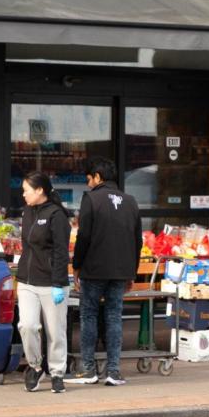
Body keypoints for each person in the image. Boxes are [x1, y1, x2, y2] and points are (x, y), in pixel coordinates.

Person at [69, 156, 141, 386]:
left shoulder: (91, 199)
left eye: (89, 179)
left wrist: (77, 265)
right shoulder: (130, 201)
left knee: (89, 315)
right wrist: (132, 271)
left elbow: (84, 236)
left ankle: (89, 370)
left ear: (97, 177)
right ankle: (114, 371)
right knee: (114, 316)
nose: (88, 183)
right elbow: (137, 240)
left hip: (94, 269)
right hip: (121, 270)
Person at [16, 171, 70, 394]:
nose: (23, 195)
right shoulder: (27, 211)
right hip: (27, 282)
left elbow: (61, 252)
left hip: (51, 283)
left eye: (26, 190)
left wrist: (58, 283)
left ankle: (57, 373)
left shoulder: (57, 215)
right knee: (27, 326)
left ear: (40, 190)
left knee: (55, 331)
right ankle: (35, 366)